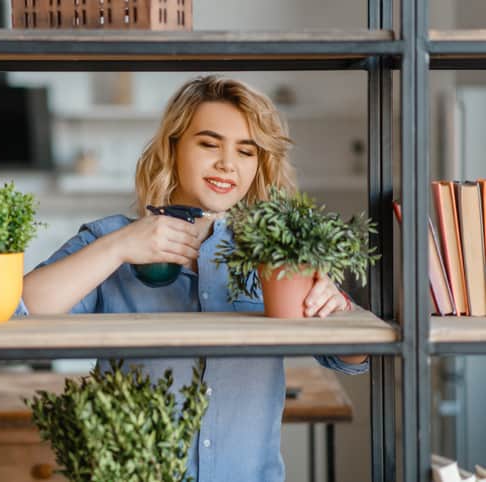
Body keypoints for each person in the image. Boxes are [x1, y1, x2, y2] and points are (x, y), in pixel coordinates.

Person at [20, 75, 368, 481]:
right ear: (173, 147)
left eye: (246, 151)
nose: (227, 163)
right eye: (209, 144)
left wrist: (338, 308)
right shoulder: (110, 240)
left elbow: (352, 360)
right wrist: (117, 248)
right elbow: (18, 309)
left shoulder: (279, 252)